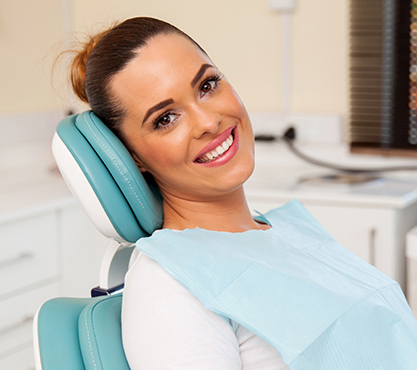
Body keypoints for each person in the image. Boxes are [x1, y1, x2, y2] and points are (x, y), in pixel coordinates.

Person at [68, 17, 417, 369]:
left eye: (207, 85)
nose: (207, 121)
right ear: (133, 158)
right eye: (165, 118)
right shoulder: (169, 285)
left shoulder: (288, 230)